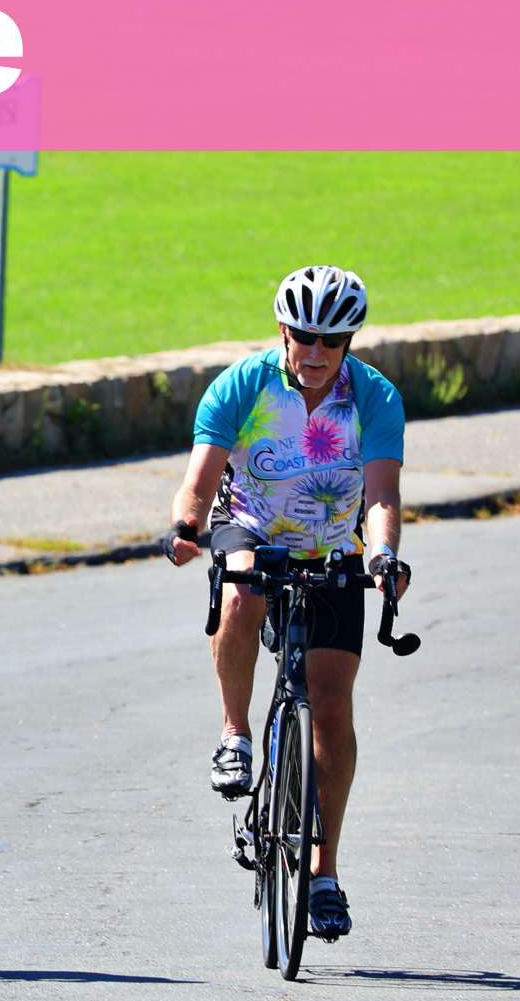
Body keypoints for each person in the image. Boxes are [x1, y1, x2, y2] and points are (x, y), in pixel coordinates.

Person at [165, 265, 412, 942]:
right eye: (302, 335)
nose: (314, 351)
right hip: (250, 526)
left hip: (330, 545)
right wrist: (188, 531)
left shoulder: (374, 398)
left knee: (331, 707)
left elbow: (382, 495)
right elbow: (198, 483)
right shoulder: (241, 387)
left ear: (348, 342)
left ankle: (323, 874)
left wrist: (384, 555)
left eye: (330, 340)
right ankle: (234, 734)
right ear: (282, 329)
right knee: (241, 591)